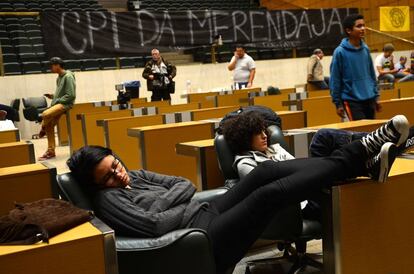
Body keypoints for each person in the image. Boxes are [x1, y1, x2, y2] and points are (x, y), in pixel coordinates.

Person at [67, 115, 409, 274]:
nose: (118, 173)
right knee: (267, 196)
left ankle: (361, 159)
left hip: (203, 213)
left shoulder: (134, 177)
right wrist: (172, 200)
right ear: (97, 185)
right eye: (108, 176)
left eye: (115, 164)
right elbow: (156, 226)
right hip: (198, 234)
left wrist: (170, 199)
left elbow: (183, 185)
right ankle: (361, 153)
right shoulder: (108, 199)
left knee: (265, 171)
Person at [330, 14, 380, 121]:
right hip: (351, 101)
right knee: (360, 134)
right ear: (349, 30)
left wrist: (376, 96)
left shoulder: (365, 49)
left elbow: (371, 74)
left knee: (371, 134)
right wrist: (338, 103)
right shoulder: (340, 52)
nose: (363, 28)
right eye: (359, 26)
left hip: (370, 98)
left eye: (364, 25)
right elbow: (335, 79)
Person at [38, 57, 76, 160]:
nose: (51, 68)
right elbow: (62, 93)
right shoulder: (59, 78)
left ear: (58, 65)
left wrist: (57, 100)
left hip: (65, 104)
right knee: (50, 126)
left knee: (45, 114)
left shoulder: (68, 77)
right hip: (58, 103)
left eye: (52, 65)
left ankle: (43, 127)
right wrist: (53, 96)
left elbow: (71, 95)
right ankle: (51, 151)